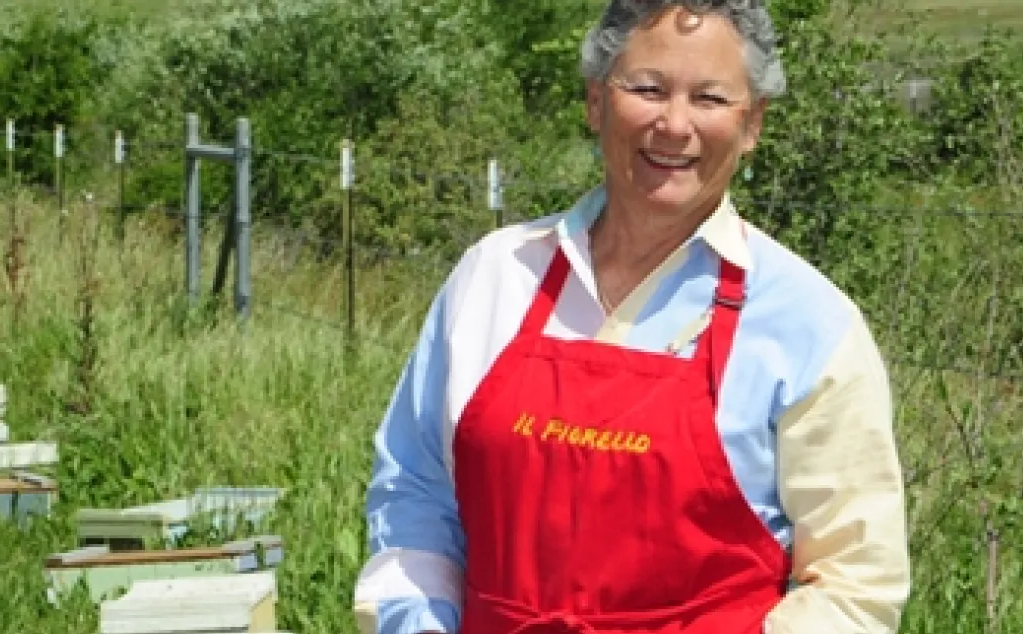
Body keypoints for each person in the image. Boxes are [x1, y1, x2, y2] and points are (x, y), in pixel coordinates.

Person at [351, 1, 911, 633]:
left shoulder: (811, 324)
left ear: (752, 123)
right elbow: (415, 495)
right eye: (647, 89)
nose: (674, 125)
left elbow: (855, 586)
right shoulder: (494, 276)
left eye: (709, 98)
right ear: (596, 102)